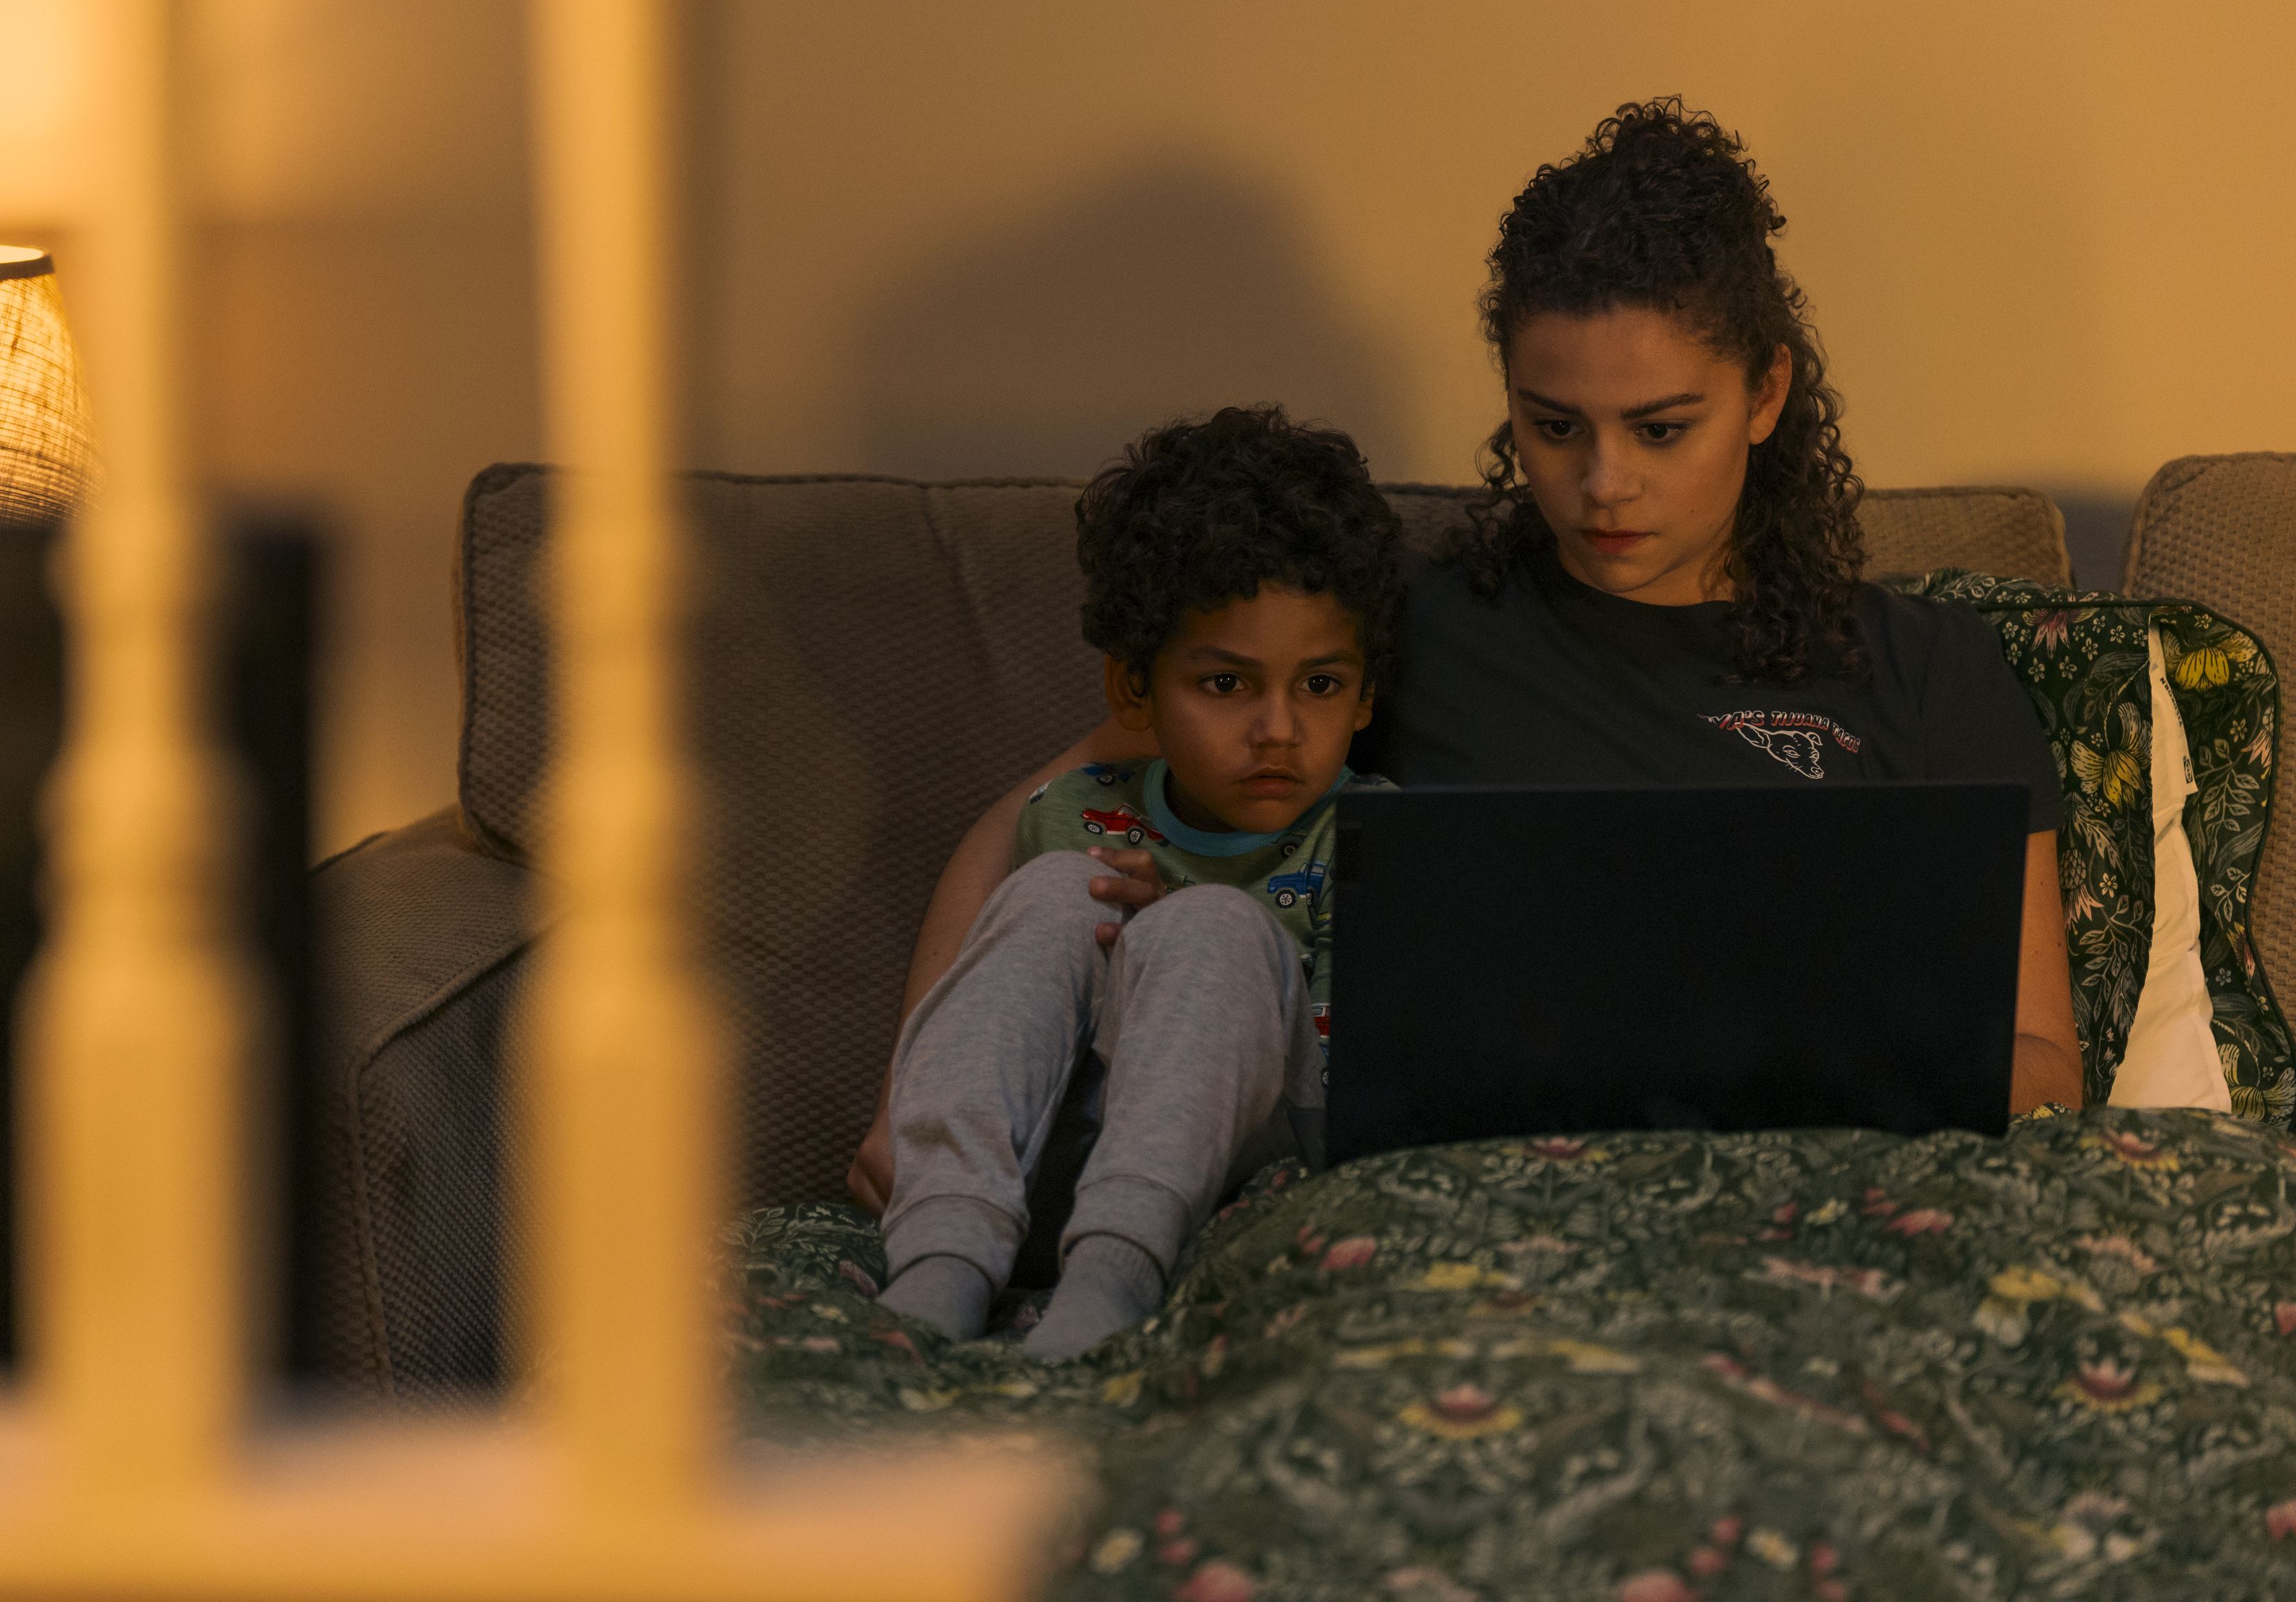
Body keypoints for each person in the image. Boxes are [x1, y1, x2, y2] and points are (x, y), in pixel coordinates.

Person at [852, 98, 2083, 1245]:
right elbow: (1036, 817)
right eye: (1554, 426)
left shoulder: (1931, 671)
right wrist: (918, 1102)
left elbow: (2042, 1065)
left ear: (1765, 394)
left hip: (1813, 1221)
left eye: (1662, 429)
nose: (1603, 485)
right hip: (1465, 1229)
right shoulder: (1398, 631)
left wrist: (1779, 1061)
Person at [874, 406, 1402, 1360]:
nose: (1279, 730)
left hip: (1250, 1179)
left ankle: (1111, 1284)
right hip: (1052, 1179)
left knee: (1211, 928)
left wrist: (1185, 942)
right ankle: (944, 1252)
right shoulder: (1072, 813)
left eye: (1320, 685)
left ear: (1366, 695)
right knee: (1054, 891)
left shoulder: (1371, 834)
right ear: (1134, 691)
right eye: (1227, 685)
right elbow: (1012, 1025)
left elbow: (1364, 1093)